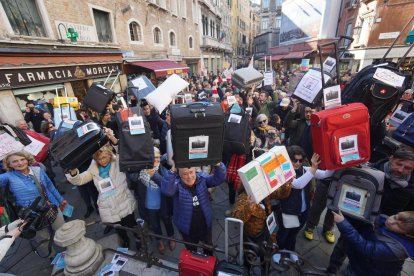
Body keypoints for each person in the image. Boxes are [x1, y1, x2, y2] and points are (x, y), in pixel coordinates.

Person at [327, 147, 414, 274]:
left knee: (367, 252)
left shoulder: (412, 188)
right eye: (398, 164)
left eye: (408, 168)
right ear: (391, 158)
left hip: (387, 227)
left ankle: (355, 268)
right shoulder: (371, 171)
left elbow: (410, 213)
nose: (401, 170)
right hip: (358, 217)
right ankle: (332, 269)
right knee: (344, 244)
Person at [66, 138, 138, 248]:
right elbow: (79, 180)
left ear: (109, 155)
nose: (102, 161)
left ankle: (138, 240)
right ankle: (125, 241)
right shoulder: (93, 169)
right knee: (118, 227)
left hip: (123, 200)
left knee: (132, 224)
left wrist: (113, 139)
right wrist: (73, 172)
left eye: (104, 157)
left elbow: (123, 151)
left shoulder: (118, 161)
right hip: (108, 205)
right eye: (99, 159)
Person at [276, 147, 334, 251]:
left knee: (293, 234)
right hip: (288, 212)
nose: (298, 163)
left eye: (300, 160)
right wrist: (313, 168)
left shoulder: (304, 169)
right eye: (295, 160)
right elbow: (298, 184)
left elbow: (325, 174)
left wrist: (336, 163)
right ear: (288, 159)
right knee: (283, 235)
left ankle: (289, 251)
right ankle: (279, 252)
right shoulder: (283, 172)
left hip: (303, 211)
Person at [161, 162, 226, 254]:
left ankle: (208, 263)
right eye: (185, 174)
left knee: (208, 248)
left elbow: (219, 179)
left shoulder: (202, 179)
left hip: (205, 225)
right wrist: (173, 170)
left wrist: (219, 165)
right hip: (187, 229)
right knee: (192, 251)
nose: (189, 176)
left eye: (191, 172)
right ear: (179, 174)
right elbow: (166, 191)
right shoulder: (177, 185)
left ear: (195, 170)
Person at [332, 210, 414, 275]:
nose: (391, 221)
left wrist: (343, 223)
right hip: (361, 265)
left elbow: (365, 247)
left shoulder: (397, 249)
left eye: (398, 226)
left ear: (408, 235)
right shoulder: (388, 223)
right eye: (395, 217)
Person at [0, 151, 67, 231]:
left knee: (62, 230)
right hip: (32, 215)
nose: (20, 163)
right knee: (46, 237)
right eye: (15, 161)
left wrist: (61, 200)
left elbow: (50, 187)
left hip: (51, 206)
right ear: (9, 165)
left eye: (22, 159)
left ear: (27, 160)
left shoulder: (38, 170)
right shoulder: (7, 177)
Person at [139, 147, 175, 254]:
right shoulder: (141, 171)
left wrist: (154, 175)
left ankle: (171, 237)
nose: (157, 160)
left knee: (167, 220)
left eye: (158, 157)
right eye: (154, 157)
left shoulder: (163, 169)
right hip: (149, 204)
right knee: (154, 225)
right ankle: (159, 241)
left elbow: (165, 185)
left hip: (163, 203)